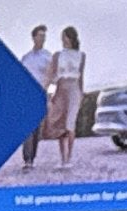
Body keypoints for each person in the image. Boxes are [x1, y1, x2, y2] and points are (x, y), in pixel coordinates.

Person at [19, 25, 58, 164]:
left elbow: (54, 77)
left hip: (41, 94)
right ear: (34, 37)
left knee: (36, 128)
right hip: (26, 95)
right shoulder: (26, 58)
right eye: (40, 35)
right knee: (27, 126)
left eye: (44, 36)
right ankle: (27, 159)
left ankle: (32, 157)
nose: (43, 38)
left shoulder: (48, 57)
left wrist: (50, 93)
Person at [49, 25, 88, 163]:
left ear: (71, 38)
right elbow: (54, 76)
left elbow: (81, 75)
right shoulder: (58, 55)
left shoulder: (81, 55)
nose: (63, 40)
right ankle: (63, 157)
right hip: (61, 87)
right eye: (62, 37)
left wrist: (81, 92)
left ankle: (70, 156)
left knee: (70, 123)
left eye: (65, 37)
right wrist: (52, 91)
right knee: (60, 123)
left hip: (74, 88)